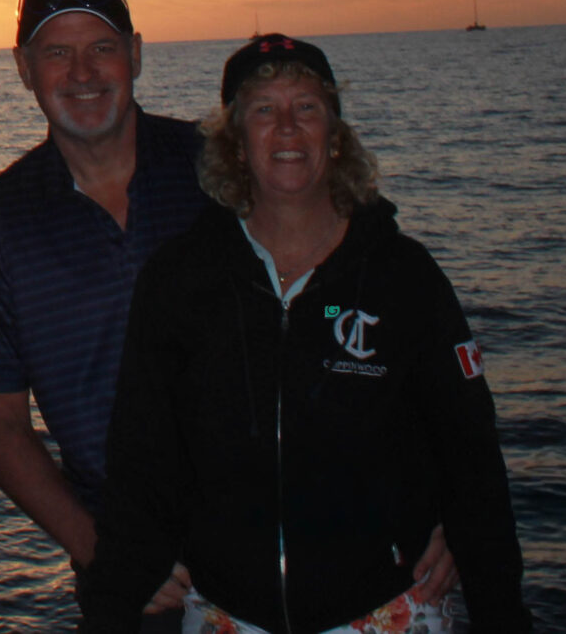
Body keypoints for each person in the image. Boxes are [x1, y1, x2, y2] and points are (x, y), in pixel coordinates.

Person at [79, 35, 529, 634]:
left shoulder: (404, 277)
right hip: (223, 616)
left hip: (386, 613)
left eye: (307, 108)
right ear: (236, 143)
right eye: (264, 109)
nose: (287, 127)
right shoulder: (179, 281)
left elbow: (473, 463)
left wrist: (503, 613)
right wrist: (113, 607)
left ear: (335, 137)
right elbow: (141, 464)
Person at [0, 0, 209, 625]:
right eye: (56, 52)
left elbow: (347, 305)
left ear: (137, 53)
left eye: (101, 46)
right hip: (133, 580)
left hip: (284, 545)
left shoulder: (220, 168)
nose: (83, 71)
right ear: (24, 68)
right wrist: (108, 553)